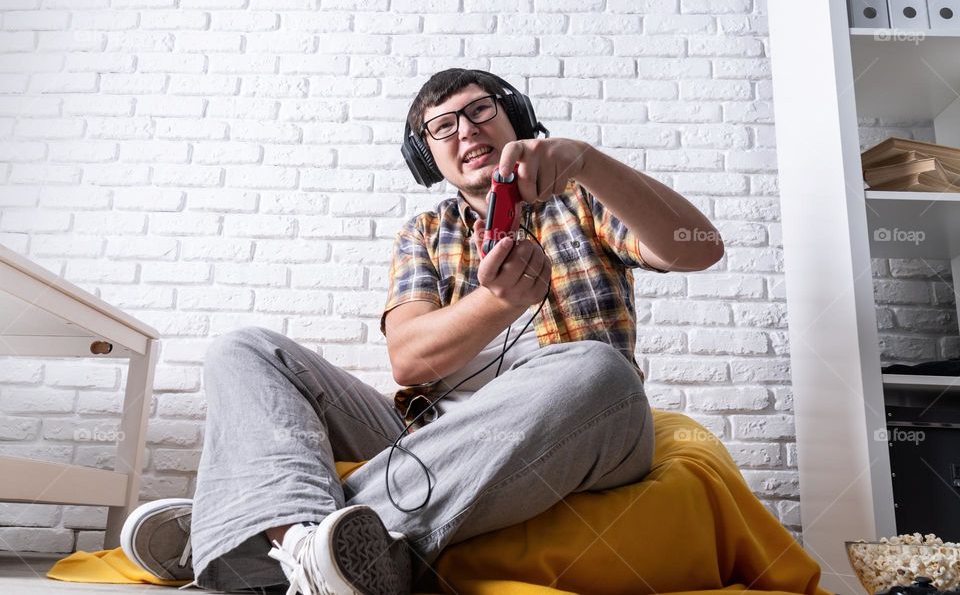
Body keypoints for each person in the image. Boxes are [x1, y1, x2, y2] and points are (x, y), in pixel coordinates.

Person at [118, 68, 724, 595]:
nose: (466, 131)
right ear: (427, 157)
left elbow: (700, 249)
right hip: (428, 430)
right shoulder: (426, 233)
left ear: (514, 120)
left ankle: (246, 536)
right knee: (243, 348)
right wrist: (496, 304)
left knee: (598, 368)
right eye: (443, 127)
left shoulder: (582, 199)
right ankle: (305, 545)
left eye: (480, 111)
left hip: (582, 422)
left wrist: (588, 161)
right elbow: (410, 362)